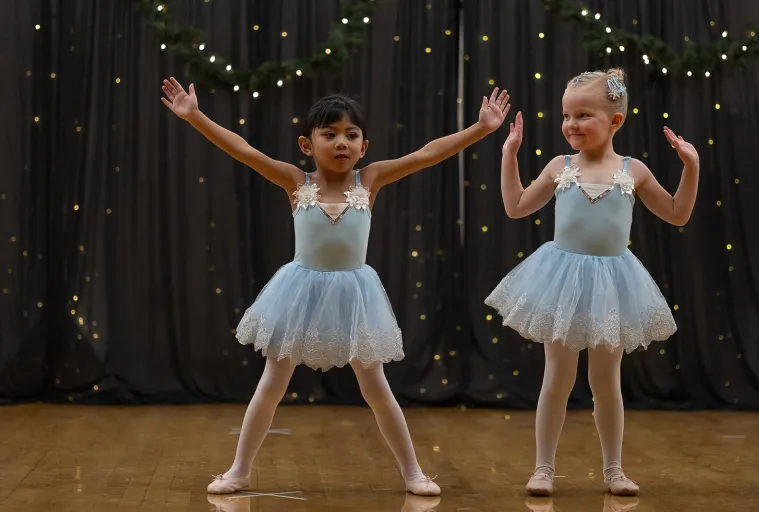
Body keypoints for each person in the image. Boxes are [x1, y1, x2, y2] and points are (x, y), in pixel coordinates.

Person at [161, 77, 510, 495]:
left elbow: (427, 154)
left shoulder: (371, 180)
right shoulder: (296, 182)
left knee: (376, 387)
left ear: (364, 146)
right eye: (329, 134)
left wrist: (481, 129)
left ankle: (413, 472)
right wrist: (195, 116)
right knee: (272, 383)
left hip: (355, 294)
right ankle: (239, 470)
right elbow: (243, 150)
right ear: (307, 145)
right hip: (298, 290)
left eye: (351, 135)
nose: (341, 142)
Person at [485, 68, 699, 496]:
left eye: (582, 115)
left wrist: (690, 167)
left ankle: (614, 470)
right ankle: (544, 468)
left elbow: (677, 213)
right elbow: (515, 207)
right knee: (557, 379)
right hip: (562, 280)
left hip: (612, 284)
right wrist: (509, 155)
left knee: (606, 382)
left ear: (614, 121)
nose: (570, 124)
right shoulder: (559, 166)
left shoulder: (632, 170)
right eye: (566, 116)